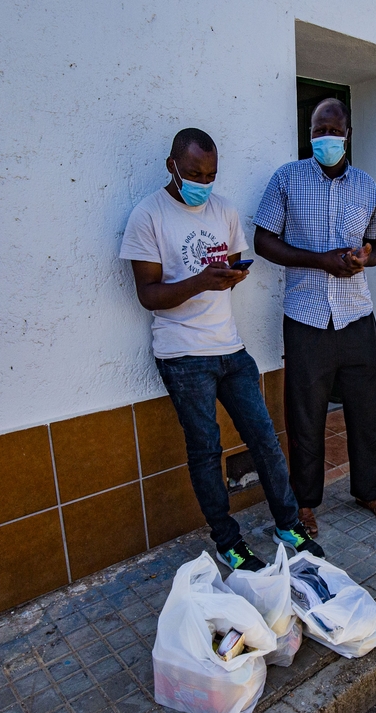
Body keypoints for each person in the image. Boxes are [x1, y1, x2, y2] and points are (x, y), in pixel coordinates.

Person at [122, 128, 323, 572]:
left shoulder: (224, 210)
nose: (203, 182)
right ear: (171, 165)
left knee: (266, 439)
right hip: (182, 355)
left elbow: (231, 263)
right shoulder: (148, 216)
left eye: (211, 174)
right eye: (194, 172)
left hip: (231, 348)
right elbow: (148, 294)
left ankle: (288, 525)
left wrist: (230, 275)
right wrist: (202, 280)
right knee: (206, 451)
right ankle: (227, 541)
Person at [253, 99, 376, 537]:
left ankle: (371, 491)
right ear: (310, 134)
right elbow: (263, 240)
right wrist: (322, 260)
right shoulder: (287, 179)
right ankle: (304, 503)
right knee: (305, 415)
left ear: (347, 134)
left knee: (369, 410)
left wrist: (365, 256)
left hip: (356, 314)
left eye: (333, 132)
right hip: (306, 316)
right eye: (318, 131)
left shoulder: (367, 185)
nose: (325, 139)